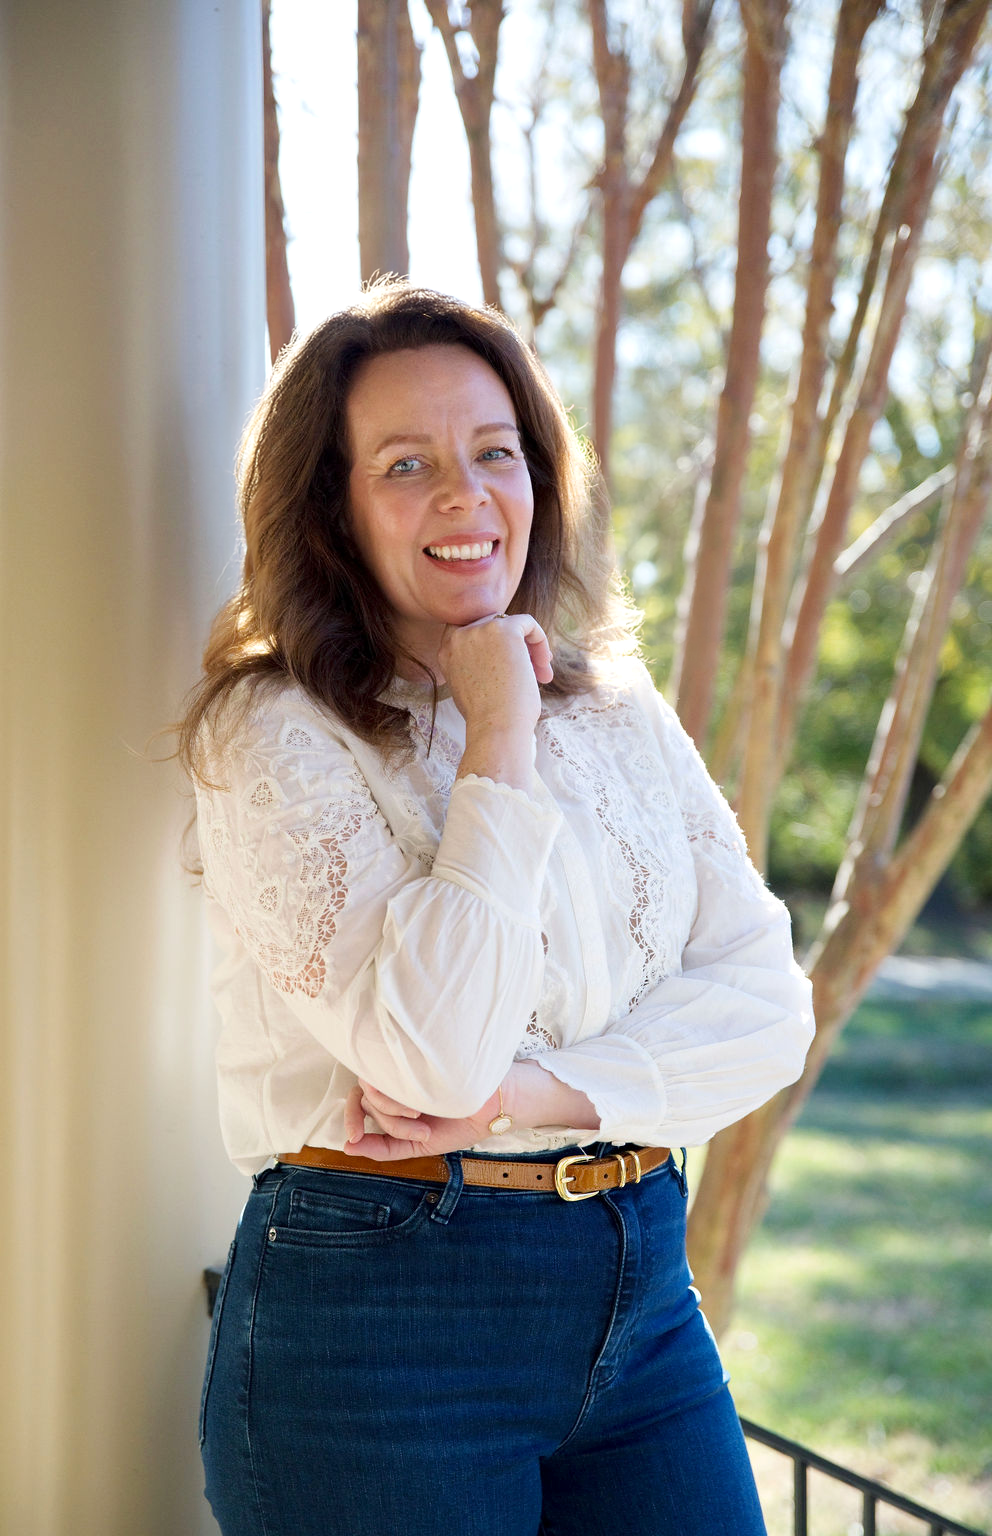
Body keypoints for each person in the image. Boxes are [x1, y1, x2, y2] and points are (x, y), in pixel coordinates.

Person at [181, 279, 814, 1536]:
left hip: (641, 1292)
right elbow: (432, 1051)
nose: (467, 497)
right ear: (331, 510)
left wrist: (521, 1100)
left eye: (495, 452)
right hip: (379, 1321)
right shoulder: (272, 733)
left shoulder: (621, 714)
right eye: (406, 464)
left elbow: (765, 1007)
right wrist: (499, 731)